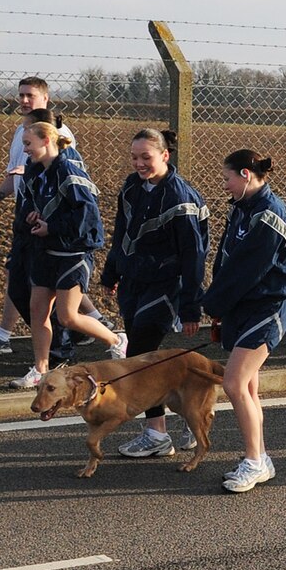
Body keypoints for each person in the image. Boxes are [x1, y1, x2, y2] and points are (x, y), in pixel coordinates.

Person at [0, 77, 103, 359]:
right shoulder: (23, 132)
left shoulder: (56, 136)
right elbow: (17, 174)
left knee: (43, 287)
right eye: (21, 95)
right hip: (29, 219)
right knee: (21, 280)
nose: (23, 100)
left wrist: (50, 223)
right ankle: (75, 330)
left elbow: (78, 202)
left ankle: (62, 345)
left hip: (53, 230)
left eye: (30, 95)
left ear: (45, 98)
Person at [103, 129, 210, 459]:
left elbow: (195, 255)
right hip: (134, 283)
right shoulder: (131, 187)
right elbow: (122, 231)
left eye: (145, 158)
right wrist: (112, 270)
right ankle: (196, 417)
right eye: (134, 157)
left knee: (141, 357)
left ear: (165, 156)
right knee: (142, 356)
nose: (138, 164)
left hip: (165, 288)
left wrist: (191, 307)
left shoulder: (182, 198)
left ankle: (156, 434)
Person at [202, 150, 286, 493]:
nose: (225, 185)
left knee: (234, 383)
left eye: (228, 178)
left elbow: (248, 269)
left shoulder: (270, 214)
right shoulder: (243, 207)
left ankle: (255, 461)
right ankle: (260, 457)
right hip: (244, 306)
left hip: (266, 307)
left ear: (245, 174)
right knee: (249, 387)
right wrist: (220, 308)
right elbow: (228, 262)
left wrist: (212, 302)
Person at [10, 121, 124, 390]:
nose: (24, 149)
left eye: (28, 144)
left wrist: (53, 227)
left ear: (46, 141)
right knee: (38, 310)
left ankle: (117, 341)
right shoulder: (35, 173)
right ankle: (40, 369)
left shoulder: (69, 172)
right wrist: (33, 217)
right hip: (45, 251)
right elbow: (32, 205)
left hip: (73, 253)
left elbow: (87, 218)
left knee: (67, 316)